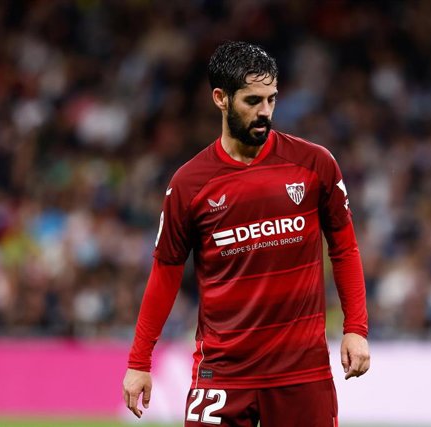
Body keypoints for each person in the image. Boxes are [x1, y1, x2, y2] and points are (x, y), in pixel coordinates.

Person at [122, 40, 370, 427]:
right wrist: (139, 361)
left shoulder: (314, 164)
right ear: (220, 98)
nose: (265, 112)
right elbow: (166, 272)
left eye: (271, 99)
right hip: (222, 373)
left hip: (300, 372)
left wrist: (355, 328)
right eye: (252, 101)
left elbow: (344, 247)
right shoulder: (189, 184)